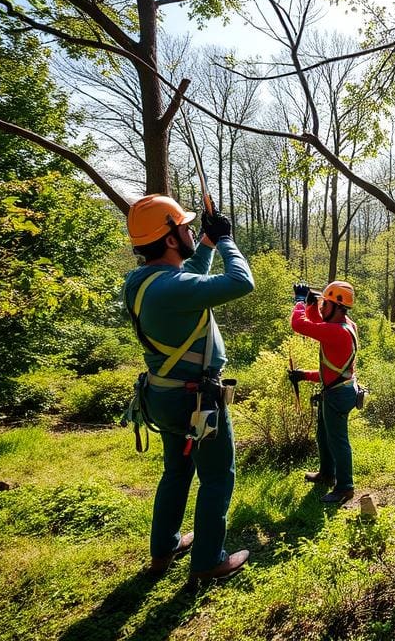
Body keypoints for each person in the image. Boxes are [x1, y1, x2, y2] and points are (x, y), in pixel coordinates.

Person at [123, 195, 254, 585]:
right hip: (196, 399)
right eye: (184, 228)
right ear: (167, 239)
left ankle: (164, 549)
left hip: (163, 396)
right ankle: (208, 561)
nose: (191, 232)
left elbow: (190, 273)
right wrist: (227, 240)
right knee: (217, 476)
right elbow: (240, 281)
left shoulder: (142, 281)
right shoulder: (170, 287)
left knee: (177, 471)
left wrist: (207, 246)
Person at [288, 280, 360, 505]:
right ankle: (327, 473)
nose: (321, 308)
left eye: (325, 304)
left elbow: (300, 325)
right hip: (338, 389)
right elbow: (332, 371)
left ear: (338, 307)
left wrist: (300, 302)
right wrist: (304, 375)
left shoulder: (336, 332)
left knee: (338, 441)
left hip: (337, 395)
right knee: (324, 435)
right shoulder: (347, 325)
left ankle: (345, 487)